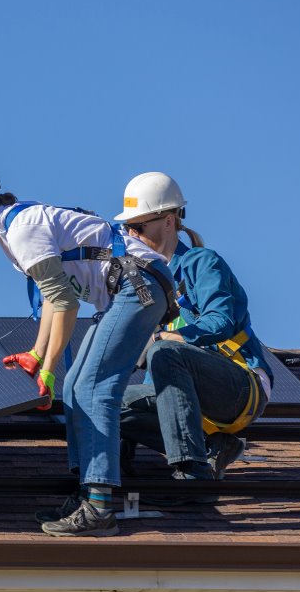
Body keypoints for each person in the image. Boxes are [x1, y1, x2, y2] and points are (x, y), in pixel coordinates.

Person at [0, 153, 176, 537]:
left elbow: (65, 303)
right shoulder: (12, 231)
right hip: (131, 287)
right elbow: (50, 299)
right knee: (76, 389)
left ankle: (99, 506)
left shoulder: (22, 228)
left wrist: (47, 367)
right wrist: (37, 354)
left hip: (135, 285)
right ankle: (86, 496)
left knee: (95, 388)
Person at [116, 172, 272, 489]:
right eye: (127, 227)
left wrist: (165, 338)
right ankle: (212, 446)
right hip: (185, 398)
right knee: (103, 400)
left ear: (169, 221)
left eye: (139, 226)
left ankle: (192, 473)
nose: (132, 234)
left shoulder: (201, 264)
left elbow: (220, 321)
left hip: (239, 385)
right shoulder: (144, 285)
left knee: (162, 350)